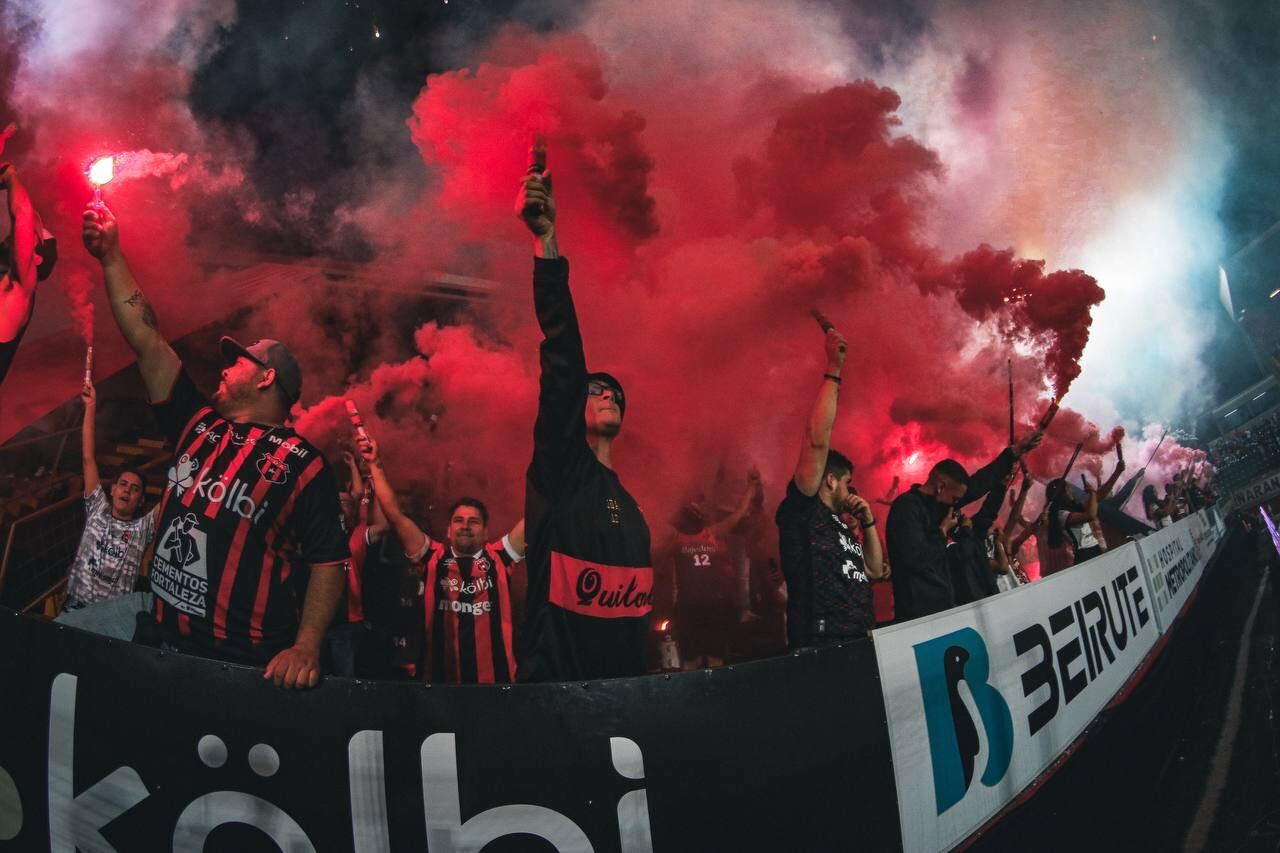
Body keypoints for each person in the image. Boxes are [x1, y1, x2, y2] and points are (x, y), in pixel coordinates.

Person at [82, 203, 349, 689]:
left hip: (239, 664)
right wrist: (112, 256)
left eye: (238, 362)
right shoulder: (197, 424)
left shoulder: (303, 464)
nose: (224, 368)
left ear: (268, 379)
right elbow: (146, 338)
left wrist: (307, 644)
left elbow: (329, 561)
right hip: (159, 635)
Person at [513, 159, 654, 681]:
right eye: (595, 390)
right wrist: (547, 243)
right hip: (558, 691)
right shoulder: (560, 470)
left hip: (623, 690)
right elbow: (564, 358)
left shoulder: (630, 501)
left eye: (615, 392)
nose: (608, 394)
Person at [359, 432, 526, 684]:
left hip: (496, 687)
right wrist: (375, 465)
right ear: (448, 530)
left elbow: (535, 515)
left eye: (474, 521)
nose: (465, 526)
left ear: (486, 532)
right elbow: (394, 515)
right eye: (458, 521)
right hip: (438, 684)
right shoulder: (432, 557)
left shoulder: (500, 557)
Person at [775, 324, 885, 648]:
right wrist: (834, 370)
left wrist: (868, 523)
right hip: (821, 642)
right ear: (831, 479)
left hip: (857, 638)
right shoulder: (806, 510)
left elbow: (875, 571)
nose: (853, 491)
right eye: (848, 483)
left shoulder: (841, 525)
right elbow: (816, 441)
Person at [887, 429, 1042, 621]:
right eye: (954, 499)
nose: (957, 506)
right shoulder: (907, 508)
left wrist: (1014, 453)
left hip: (944, 607)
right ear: (940, 486)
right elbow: (916, 558)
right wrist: (942, 532)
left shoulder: (940, 506)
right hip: (920, 615)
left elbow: (977, 486)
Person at [59, 381, 159, 618]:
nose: (127, 491)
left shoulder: (142, 528)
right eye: (123, 484)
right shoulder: (97, 509)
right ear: (112, 489)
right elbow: (88, 459)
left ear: (141, 499)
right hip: (72, 611)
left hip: (109, 622)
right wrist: (91, 407)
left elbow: (174, 491)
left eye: (134, 489)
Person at [670, 468, 762, 668]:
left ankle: (713, 697)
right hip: (690, 607)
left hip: (712, 605)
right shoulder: (677, 538)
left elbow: (738, 514)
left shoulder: (709, 533)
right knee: (692, 661)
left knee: (713, 659)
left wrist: (752, 486)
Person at [325, 450, 387, 676]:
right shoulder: (322, 532)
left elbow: (381, 525)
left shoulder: (358, 533)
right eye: (337, 502)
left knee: (344, 679)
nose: (342, 506)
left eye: (347, 504)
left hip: (348, 619)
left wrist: (377, 491)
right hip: (317, 617)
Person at [0, 161, 57, 384]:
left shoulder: (19, 290)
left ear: (37, 257)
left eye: (32, 233)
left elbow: (23, 213)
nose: (20, 232)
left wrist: (10, 173)